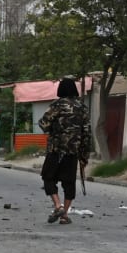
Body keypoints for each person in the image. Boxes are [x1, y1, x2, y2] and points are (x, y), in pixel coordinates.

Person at [39, 78, 91, 225]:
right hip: (73, 151)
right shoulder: (82, 107)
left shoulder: (57, 105)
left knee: (48, 177)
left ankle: (58, 205)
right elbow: (87, 132)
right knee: (69, 183)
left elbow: (43, 124)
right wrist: (84, 155)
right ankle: (64, 215)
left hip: (56, 149)